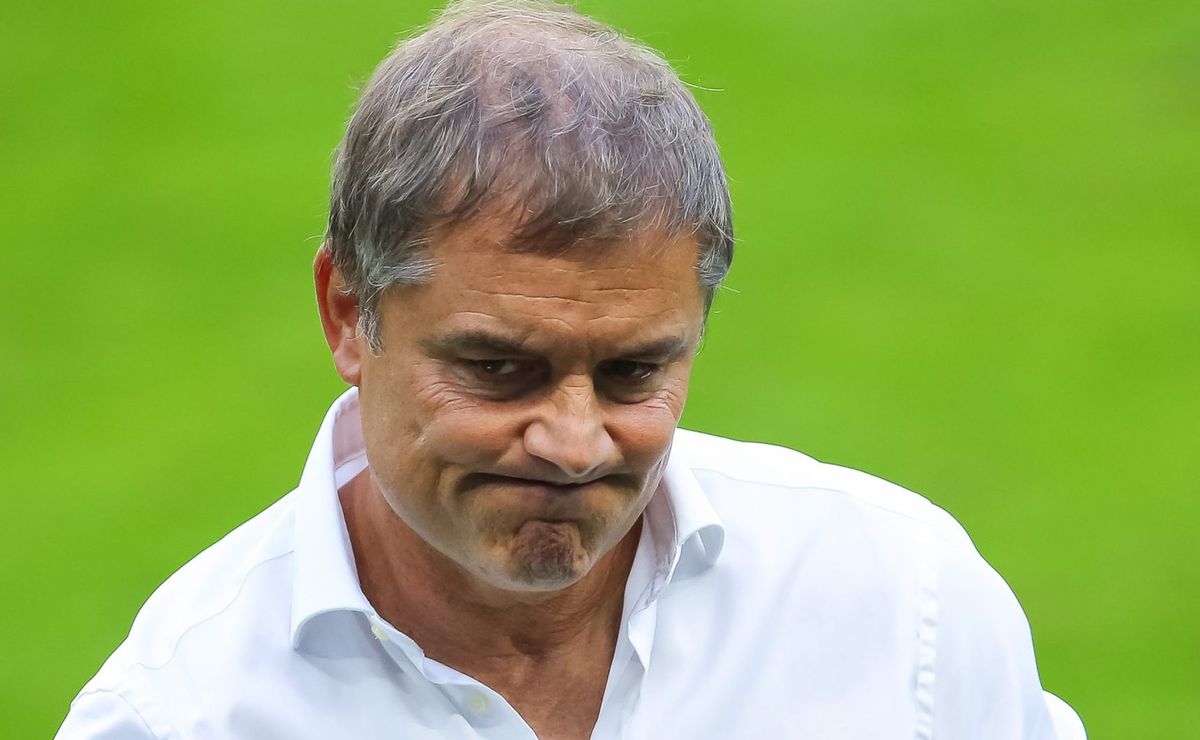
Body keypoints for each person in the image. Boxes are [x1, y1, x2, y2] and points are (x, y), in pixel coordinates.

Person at [57, 1, 1085, 738]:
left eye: (636, 371)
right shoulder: (175, 713)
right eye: (498, 367)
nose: (574, 442)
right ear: (347, 312)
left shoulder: (907, 605)